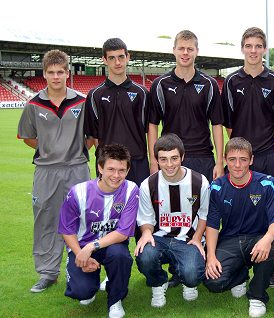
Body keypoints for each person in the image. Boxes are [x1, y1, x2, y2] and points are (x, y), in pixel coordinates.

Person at [17, 49, 91, 293]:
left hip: (77, 169)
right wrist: (50, 151)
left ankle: (84, 268)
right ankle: (48, 273)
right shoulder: (33, 105)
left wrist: (74, 151)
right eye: (51, 72)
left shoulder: (82, 101)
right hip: (46, 172)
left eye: (60, 72)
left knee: (83, 221)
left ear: (68, 73)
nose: (56, 77)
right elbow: (27, 137)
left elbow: (91, 137)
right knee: (45, 221)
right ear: (44, 74)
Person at [58, 144, 138, 318]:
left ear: (128, 170)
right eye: (110, 169)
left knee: (121, 256)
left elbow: (123, 232)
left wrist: (91, 247)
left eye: (121, 170)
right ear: (100, 168)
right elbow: (67, 229)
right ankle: (91, 285)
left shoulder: (131, 190)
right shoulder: (78, 192)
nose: (116, 176)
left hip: (112, 246)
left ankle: (115, 299)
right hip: (82, 246)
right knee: (82, 292)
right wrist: (81, 253)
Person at [204, 137, 274, 318]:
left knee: (269, 250)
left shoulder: (268, 184)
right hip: (229, 240)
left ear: (251, 160)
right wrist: (211, 256)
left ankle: (257, 296)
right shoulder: (216, 187)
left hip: (257, 239)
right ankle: (240, 274)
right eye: (232, 160)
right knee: (214, 283)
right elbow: (212, 224)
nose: (237, 165)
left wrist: (267, 239)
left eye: (243, 159)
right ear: (225, 160)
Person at [135, 133, 210, 307]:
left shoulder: (199, 182)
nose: (169, 165)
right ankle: (159, 283)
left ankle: (187, 281)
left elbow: (204, 214)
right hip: (159, 238)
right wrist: (146, 233)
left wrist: (198, 237)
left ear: (182, 157)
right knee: (145, 256)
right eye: (163, 159)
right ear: (157, 160)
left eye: (174, 158)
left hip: (187, 240)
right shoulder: (148, 185)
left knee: (192, 275)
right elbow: (146, 217)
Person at [148, 30, 224, 183]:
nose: (185, 53)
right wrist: (154, 162)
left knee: (202, 206)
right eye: (181, 48)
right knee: (170, 206)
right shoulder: (160, 84)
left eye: (190, 49)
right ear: (174, 50)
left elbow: (217, 124)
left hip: (202, 157)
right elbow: (153, 125)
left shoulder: (209, 84)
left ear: (197, 51)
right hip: (170, 158)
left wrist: (220, 162)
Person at [221, 27, 274, 191]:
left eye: (258, 46)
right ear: (242, 48)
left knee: (273, 209)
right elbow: (229, 124)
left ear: (264, 49)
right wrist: (243, 150)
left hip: (270, 156)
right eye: (249, 46)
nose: (253, 51)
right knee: (241, 210)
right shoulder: (231, 81)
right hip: (241, 158)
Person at [84, 37, 150, 186]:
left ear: (128, 57)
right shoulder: (95, 95)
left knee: (138, 207)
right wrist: (105, 159)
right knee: (107, 208)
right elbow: (94, 134)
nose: (117, 62)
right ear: (104, 60)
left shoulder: (142, 93)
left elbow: (149, 129)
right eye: (112, 58)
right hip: (108, 165)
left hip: (137, 162)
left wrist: (152, 161)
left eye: (121, 57)